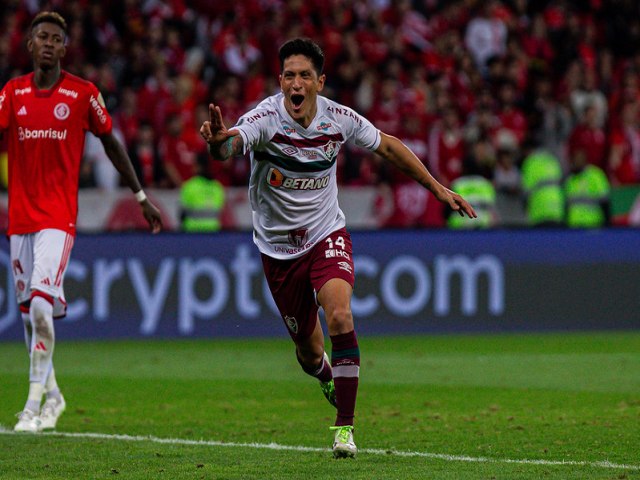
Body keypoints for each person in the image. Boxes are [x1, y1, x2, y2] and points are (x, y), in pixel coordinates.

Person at [199, 38, 476, 458]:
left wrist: (437, 189)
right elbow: (232, 143)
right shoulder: (265, 119)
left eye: (305, 76)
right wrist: (219, 142)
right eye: (289, 75)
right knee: (309, 353)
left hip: (326, 232)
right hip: (278, 249)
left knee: (341, 314)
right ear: (280, 81)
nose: (296, 83)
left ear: (320, 82)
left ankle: (344, 429)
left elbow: (387, 145)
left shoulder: (339, 119)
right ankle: (325, 373)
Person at [0, 11, 163, 433]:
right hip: (19, 220)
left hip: (57, 218)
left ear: (65, 48)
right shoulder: (11, 93)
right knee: (27, 315)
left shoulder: (82, 93)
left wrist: (140, 196)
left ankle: (32, 406)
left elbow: (110, 143)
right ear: (31, 45)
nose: (49, 43)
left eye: (56, 37)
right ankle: (54, 396)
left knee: (39, 305)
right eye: (42, 37)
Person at [180, 155, 226, 232]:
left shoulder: (189, 186)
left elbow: (182, 215)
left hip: (192, 233)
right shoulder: (218, 188)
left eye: (194, 165)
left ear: (199, 167)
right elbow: (220, 212)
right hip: (213, 233)